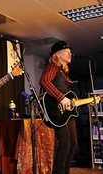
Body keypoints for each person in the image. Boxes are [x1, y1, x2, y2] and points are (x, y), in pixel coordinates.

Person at [39, 41, 77, 174]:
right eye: (67, 51)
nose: (70, 53)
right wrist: (60, 98)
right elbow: (44, 81)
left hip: (67, 112)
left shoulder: (64, 73)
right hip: (56, 111)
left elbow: (69, 97)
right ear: (57, 54)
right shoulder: (52, 67)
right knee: (65, 144)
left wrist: (82, 102)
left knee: (72, 145)